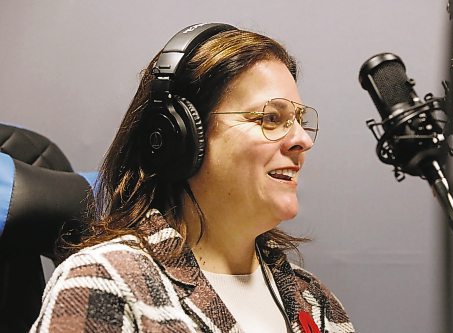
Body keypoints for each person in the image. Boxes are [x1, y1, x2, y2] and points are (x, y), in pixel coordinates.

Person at [30, 23, 355, 333]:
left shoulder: (316, 302)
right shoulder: (106, 282)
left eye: (299, 120)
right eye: (271, 118)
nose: (302, 140)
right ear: (182, 138)